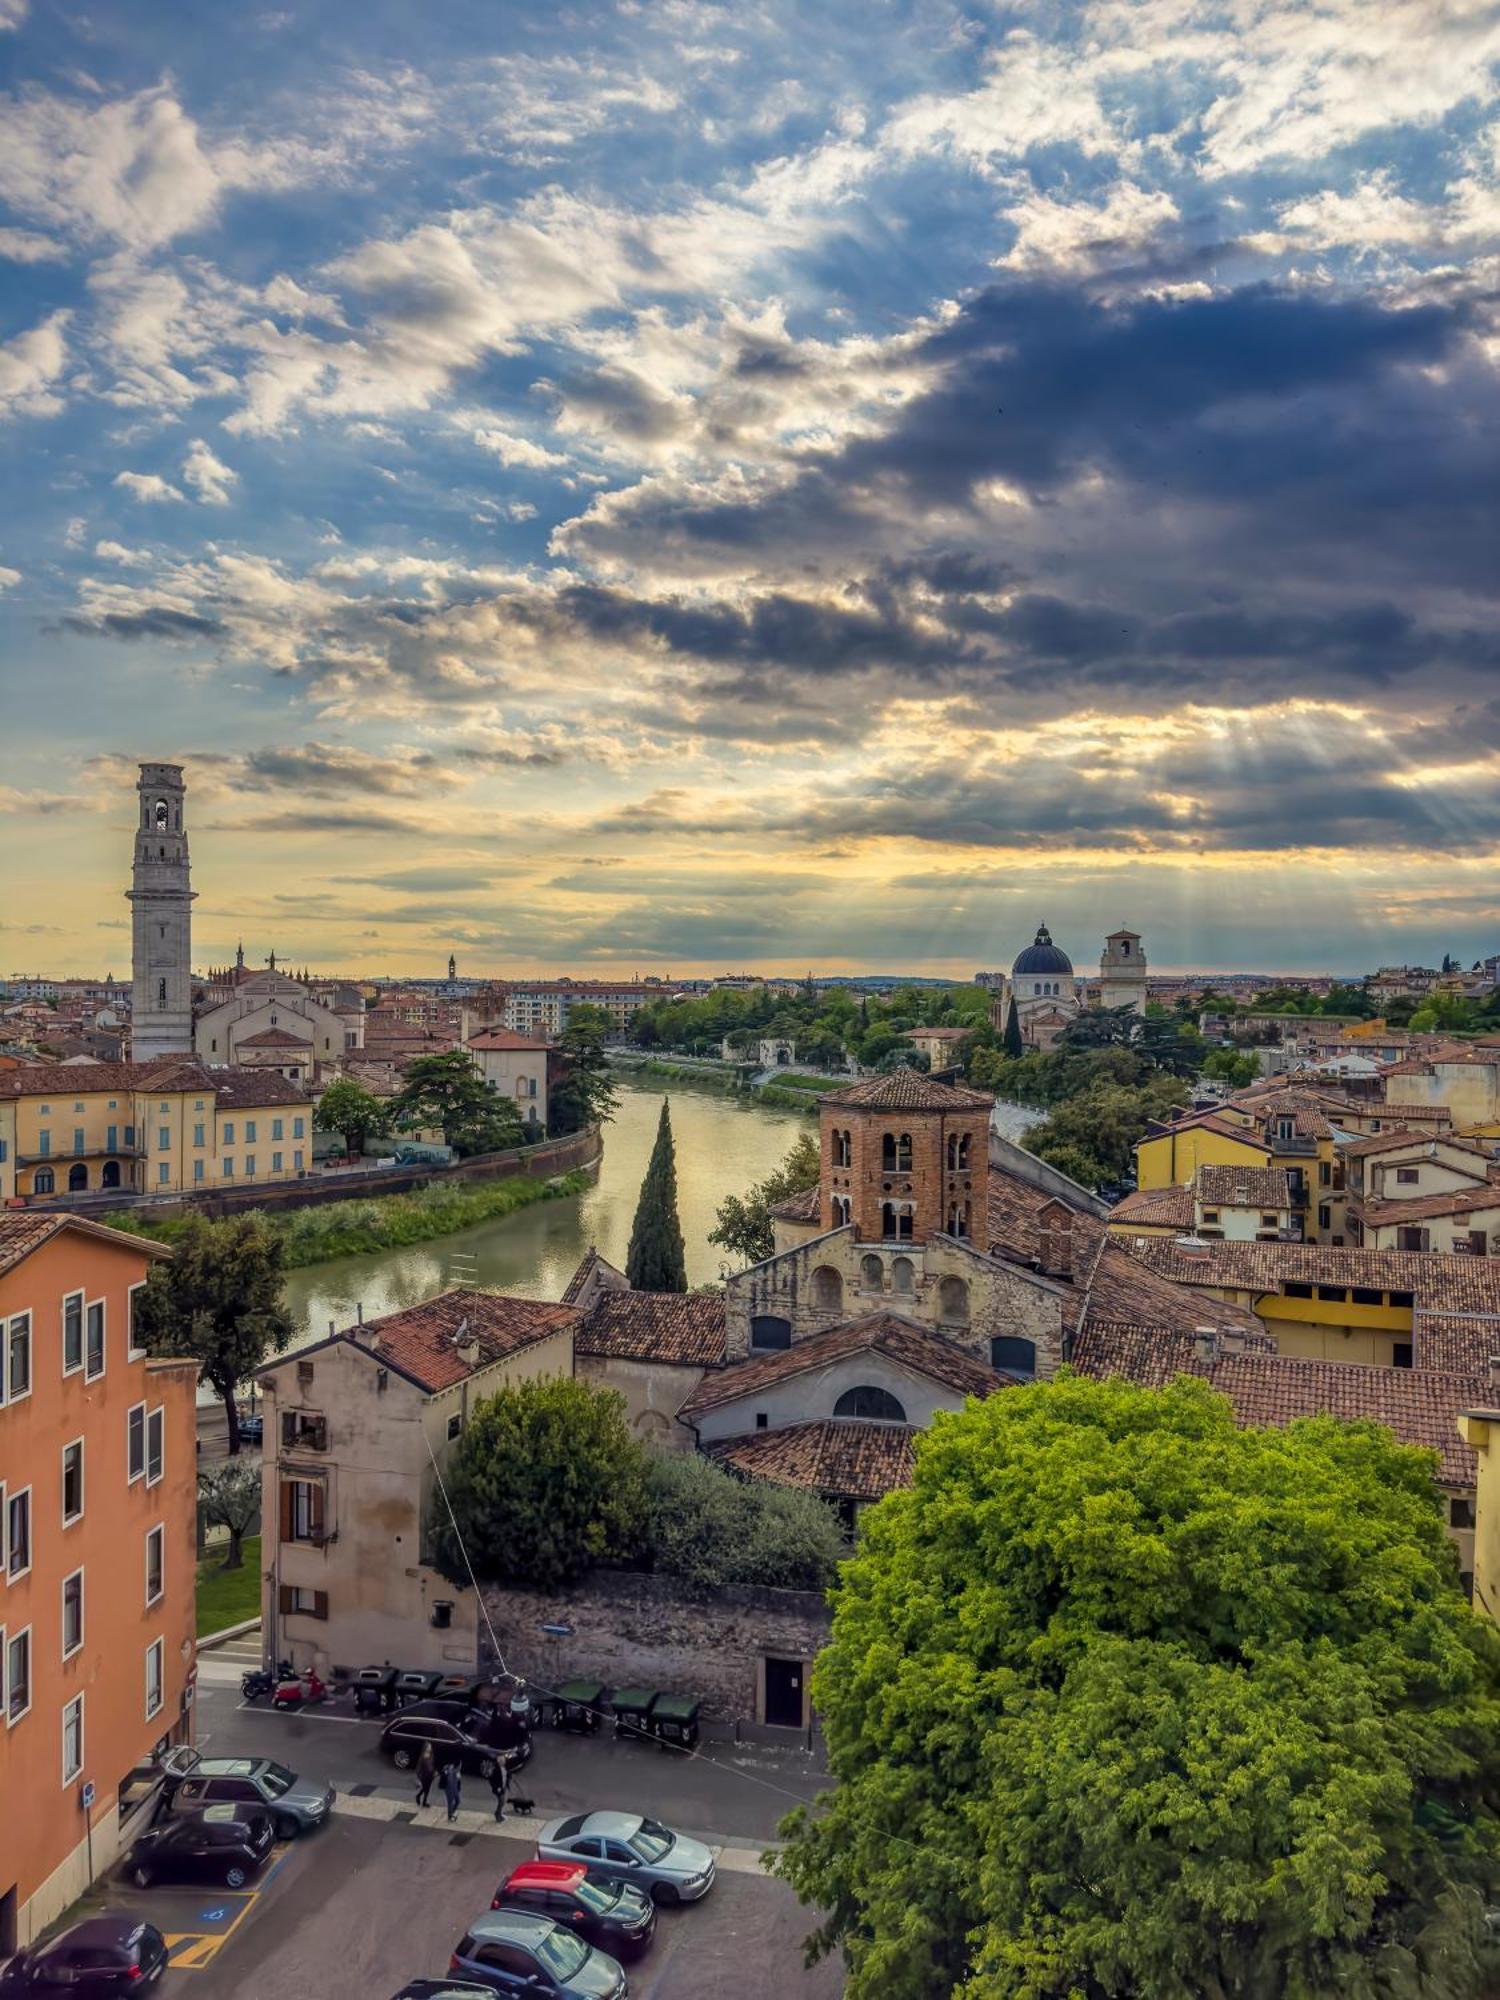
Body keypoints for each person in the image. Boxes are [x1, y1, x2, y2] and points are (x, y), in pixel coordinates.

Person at [414, 1742, 437, 1809]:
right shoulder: (423, 1757)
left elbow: (433, 1764)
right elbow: (419, 1768)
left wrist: (434, 1771)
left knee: (427, 1789)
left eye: (430, 1747)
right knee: (425, 1788)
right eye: (428, 1747)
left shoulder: (431, 1755)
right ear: (425, 1748)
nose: (430, 1748)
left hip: (430, 1775)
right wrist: (419, 1777)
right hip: (424, 1776)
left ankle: (424, 1801)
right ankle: (419, 1797)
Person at [488, 1755, 509, 1823]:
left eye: (504, 1761)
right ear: (499, 1762)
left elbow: (505, 1775)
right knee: (501, 1801)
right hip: (498, 1789)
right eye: (502, 1761)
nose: (504, 1762)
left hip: (503, 1786)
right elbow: (491, 1780)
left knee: (502, 1801)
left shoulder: (504, 1767)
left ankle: (498, 1813)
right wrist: (497, 1788)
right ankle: (498, 1815)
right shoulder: (495, 1770)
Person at [441, 1759, 462, 1823]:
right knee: (450, 1803)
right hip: (449, 1789)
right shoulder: (450, 1770)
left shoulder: (456, 1771)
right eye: (460, 1765)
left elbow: (458, 1781)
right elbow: (447, 1779)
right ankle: (450, 1816)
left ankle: (451, 1813)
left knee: (457, 1801)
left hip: (455, 1788)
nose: (460, 1767)